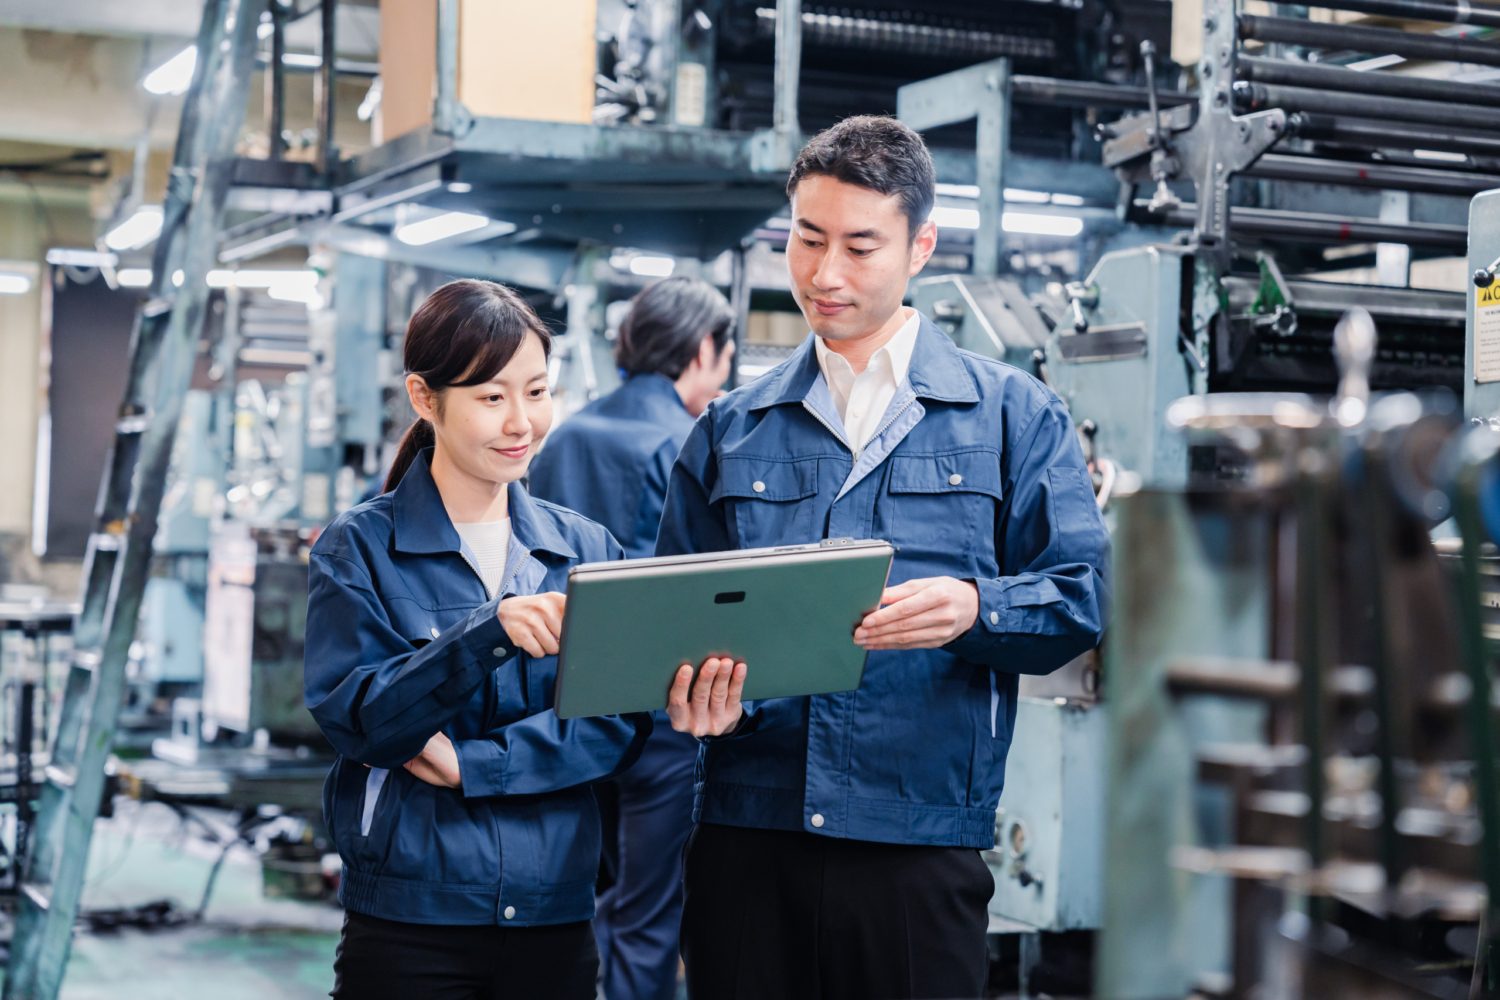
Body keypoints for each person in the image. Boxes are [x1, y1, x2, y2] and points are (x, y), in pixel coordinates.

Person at [658, 115, 1111, 999]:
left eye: (861, 246)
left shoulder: (1013, 416)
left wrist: (978, 610)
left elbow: (1080, 599)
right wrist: (695, 697)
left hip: (916, 844)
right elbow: (677, 614)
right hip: (750, 837)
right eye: (807, 239)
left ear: (921, 247)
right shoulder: (730, 430)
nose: (825, 274)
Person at [303, 279, 653, 1000]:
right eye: (492, 398)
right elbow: (366, 722)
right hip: (410, 924)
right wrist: (482, 637)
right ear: (425, 399)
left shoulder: (584, 550)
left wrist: (472, 765)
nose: (521, 421)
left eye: (535, 392)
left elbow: (617, 722)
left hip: (555, 919)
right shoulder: (360, 550)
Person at [527, 276, 735, 1000]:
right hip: (663, 723)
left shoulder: (565, 435)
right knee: (646, 917)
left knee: (569, 902)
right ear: (704, 349)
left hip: (567, 709)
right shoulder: (690, 443)